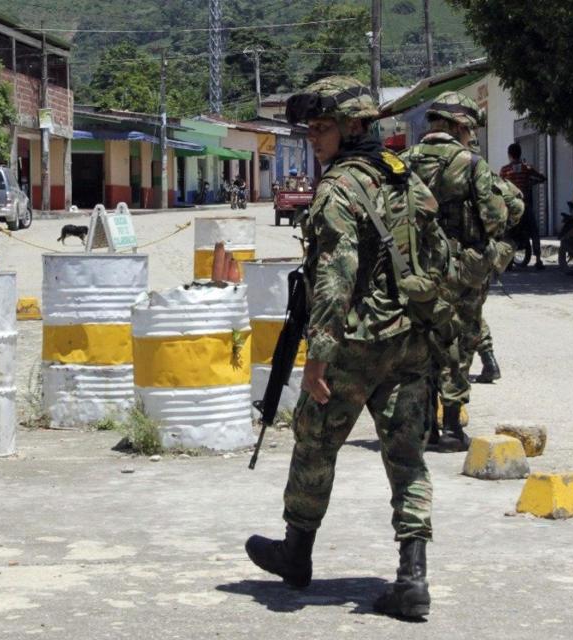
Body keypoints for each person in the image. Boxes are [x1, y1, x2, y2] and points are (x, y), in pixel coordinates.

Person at [245, 76, 441, 619]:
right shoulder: (406, 177)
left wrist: (318, 359)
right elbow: (437, 253)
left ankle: (296, 553)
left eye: (323, 127)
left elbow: (334, 276)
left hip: (356, 342)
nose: (314, 138)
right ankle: (413, 577)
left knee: (314, 440)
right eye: (309, 128)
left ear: (354, 126)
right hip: (410, 338)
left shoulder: (337, 188)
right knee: (407, 457)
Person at [400, 91, 509, 450]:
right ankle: (451, 427)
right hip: (461, 271)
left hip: (414, 269)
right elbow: (494, 218)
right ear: (457, 126)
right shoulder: (470, 163)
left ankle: (425, 426)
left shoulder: (403, 162)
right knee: (459, 344)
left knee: (422, 345)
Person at [500, 142, 546, 269]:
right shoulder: (527, 168)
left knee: (508, 233)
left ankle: (508, 263)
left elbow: (499, 185)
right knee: (534, 231)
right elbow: (542, 178)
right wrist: (530, 183)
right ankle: (538, 260)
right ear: (520, 154)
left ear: (509, 155)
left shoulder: (505, 170)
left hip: (511, 208)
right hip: (526, 206)